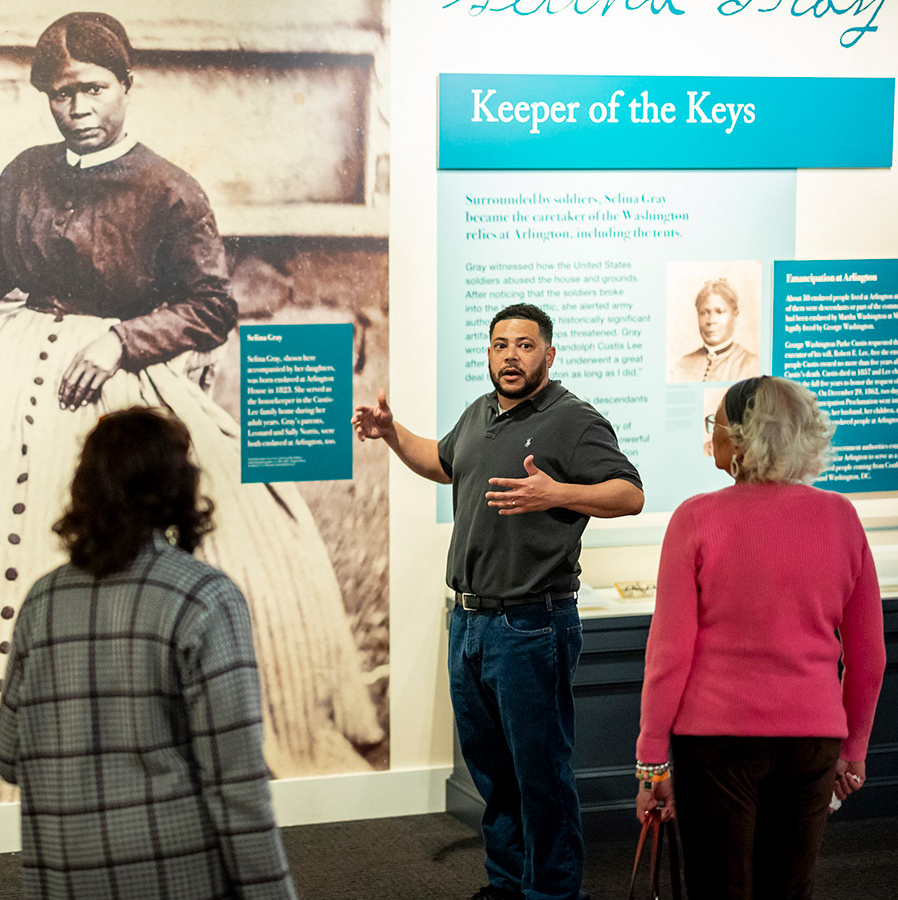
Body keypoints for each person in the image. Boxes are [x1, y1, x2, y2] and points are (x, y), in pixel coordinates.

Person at [0, 10, 380, 824]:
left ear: (126, 87)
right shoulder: (24, 173)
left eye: (92, 88)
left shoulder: (169, 187)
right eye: (61, 95)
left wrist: (123, 343)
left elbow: (210, 305)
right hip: (12, 361)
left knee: (219, 523)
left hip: (122, 378)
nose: (78, 107)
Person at [353, 302, 643, 900]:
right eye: (500, 345)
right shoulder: (480, 412)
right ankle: (508, 885)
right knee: (494, 773)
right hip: (470, 623)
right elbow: (441, 461)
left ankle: (555, 894)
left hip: (531, 623)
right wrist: (390, 433)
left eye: (525, 345)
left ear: (549, 354)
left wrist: (556, 492)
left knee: (540, 776)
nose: (511, 356)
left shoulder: (574, 420)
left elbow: (629, 494)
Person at [0, 407, 296, 900]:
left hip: (64, 878)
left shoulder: (41, 601)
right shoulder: (205, 598)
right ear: (177, 486)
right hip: (174, 875)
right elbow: (236, 781)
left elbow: (7, 757)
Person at [635, 376, 885, 900]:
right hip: (812, 743)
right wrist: (855, 748)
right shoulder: (842, 517)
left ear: (744, 438)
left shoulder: (696, 518)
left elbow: (670, 653)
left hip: (716, 741)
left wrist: (651, 758)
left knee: (721, 887)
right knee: (789, 888)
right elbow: (868, 657)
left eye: (717, 426)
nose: (713, 438)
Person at [670, 277, 760, 382]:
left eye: (719, 312)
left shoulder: (752, 365)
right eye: (704, 313)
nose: (711, 321)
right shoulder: (682, 365)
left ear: (735, 315)